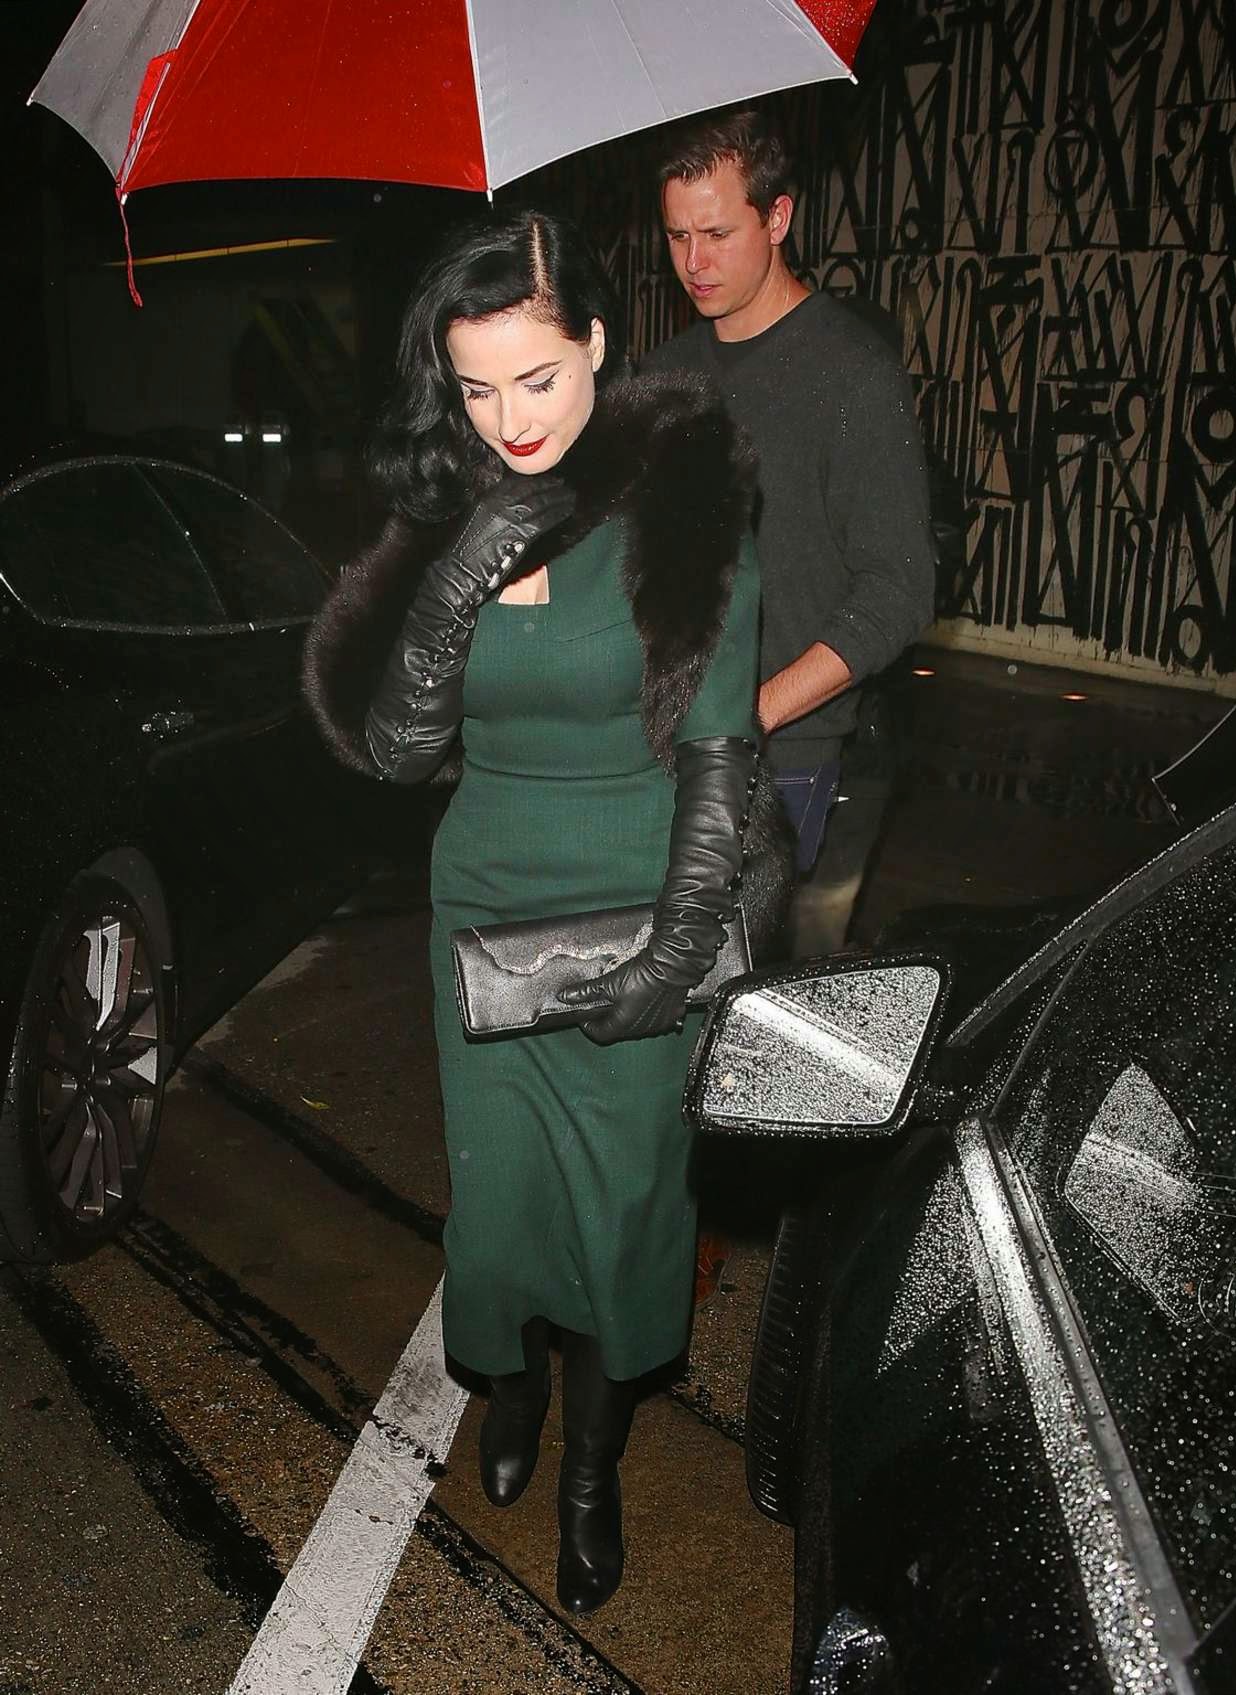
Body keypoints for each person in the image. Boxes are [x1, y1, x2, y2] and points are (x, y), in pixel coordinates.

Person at [302, 210, 785, 1616]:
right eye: (475, 388)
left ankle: (588, 1467)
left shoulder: (684, 511)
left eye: (539, 376)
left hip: (641, 897)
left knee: (622, 1215)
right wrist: (458, 575)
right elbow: (396, 754)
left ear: (595, 344)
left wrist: (676, 956)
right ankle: (508, 1388)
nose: (510, 418)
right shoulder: (447, 516)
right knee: (501, 1209)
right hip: (482, 903)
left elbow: (716, 753)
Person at [647, 106, 935, 879]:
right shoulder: (665, 374)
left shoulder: (853, 375)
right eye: (677, 236)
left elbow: (899, 590)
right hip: (656, 747)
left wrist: (753, 714)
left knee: (730, 960)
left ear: (778, 218)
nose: (694, 261)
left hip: (781, 756)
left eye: (717, 234)